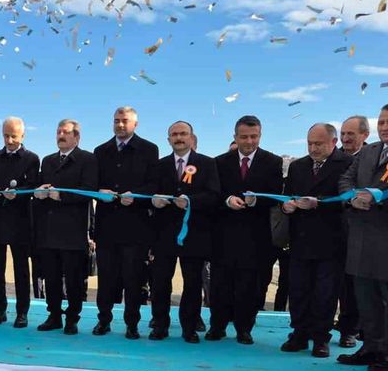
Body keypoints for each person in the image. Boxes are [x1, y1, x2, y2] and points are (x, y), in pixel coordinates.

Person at [338, 102, 388, 371]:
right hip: (362, 236)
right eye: (382, 121)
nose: (385, 127)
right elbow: (346, 179)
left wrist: (379, 198)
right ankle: (370, 347)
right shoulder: (369, 151)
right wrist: (353, 198)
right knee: (366, 298)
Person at [207, 115, 283, 345]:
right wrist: (228, 200)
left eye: (254, 136)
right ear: (235, 137)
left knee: (249, 286)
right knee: (220, 284)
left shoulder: (272, 162)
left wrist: (256, 201)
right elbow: (213, 194)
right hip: (224, 235)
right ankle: (217, 326)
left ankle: (244, 329)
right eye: (244, 137)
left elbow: (275, 195)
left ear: (260, 135)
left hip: (255, 236)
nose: (249, 141)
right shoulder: (219, 162)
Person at [279, 124, 353, 358]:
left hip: (331, 240)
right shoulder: (298, 166)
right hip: (300, 239)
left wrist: (318, 203)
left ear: (333, 142)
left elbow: (348, 198)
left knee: (325, 293)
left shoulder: (347, 163)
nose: (313, 148)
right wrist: (287, 206)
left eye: (318, 144)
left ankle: (321, 338)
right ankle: (299, 333)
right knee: (298, 289)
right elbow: (287, 195)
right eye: (310, 143)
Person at [92, 106, 161, 339]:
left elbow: (154, 184)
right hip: (107, 227)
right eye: (116, 120)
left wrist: (137, 195)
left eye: (125, 120)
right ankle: (104, 320)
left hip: (135, 227)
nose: (120, 125)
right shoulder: (100, 151)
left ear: (135, 124)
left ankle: (132, 324)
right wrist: (99, 191)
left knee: (134, 279)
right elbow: (92, 184)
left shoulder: (149, 149)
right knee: (106, 279)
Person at [150, 121, 220, 343]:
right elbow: (150, 193)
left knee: (192, 284)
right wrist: (154, 201)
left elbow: (214, 195)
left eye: (183, 134)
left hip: (194, 234)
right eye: (174, 134)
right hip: (164, 234)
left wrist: (191, 201)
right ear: (168, 139)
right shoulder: (159, 165)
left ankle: (189, 328)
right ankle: (160, 325)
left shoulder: (207, 163)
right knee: (160, 282)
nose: (179, 138)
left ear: (191, 137)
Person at [33, 119, 97, 335]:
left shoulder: (87, 159)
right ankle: (54, 315)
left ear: (77, 137)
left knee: (74, 279)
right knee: (51, 277)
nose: (61, 135)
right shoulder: (48, 160)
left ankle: (72, 318)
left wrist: (61, 196)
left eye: (66, 132)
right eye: (59, 132)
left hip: (73, 230)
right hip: (49, 230)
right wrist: (39, 192)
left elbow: (88, 190)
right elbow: (40, 184)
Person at [0, 116, 40, 328]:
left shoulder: (32, 159)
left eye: (13, 136)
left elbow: (33, 186)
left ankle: (22, 312)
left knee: (21, 270)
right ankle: (0, 310)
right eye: (6, 136)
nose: (9, 140)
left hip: (20, 223)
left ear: (22, 135)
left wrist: (18, 193)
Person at [334, 115, 371, 346]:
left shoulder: (374, 157)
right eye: (343, 134)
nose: (345, 139)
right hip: (331, 230)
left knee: (355, 283)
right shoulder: (333, 157)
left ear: (365, 135)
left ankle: (351, 328)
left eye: (351, 134)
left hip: (363, 230)